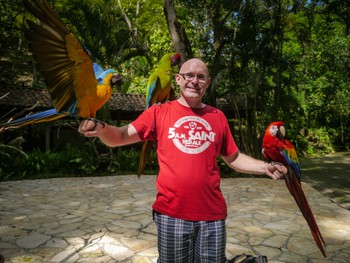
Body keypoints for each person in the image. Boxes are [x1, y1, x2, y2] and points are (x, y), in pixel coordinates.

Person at [78, 58, 286, 262]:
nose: (194, 81)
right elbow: (121, 136)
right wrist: (100, 128)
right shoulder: (159, 112)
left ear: (207, 82)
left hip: (211, 215)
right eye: (189, 75)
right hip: (172, 214)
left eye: (201, 76)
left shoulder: (218, 117)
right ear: (178, 79)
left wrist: (265, 166)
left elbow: (234, 158)